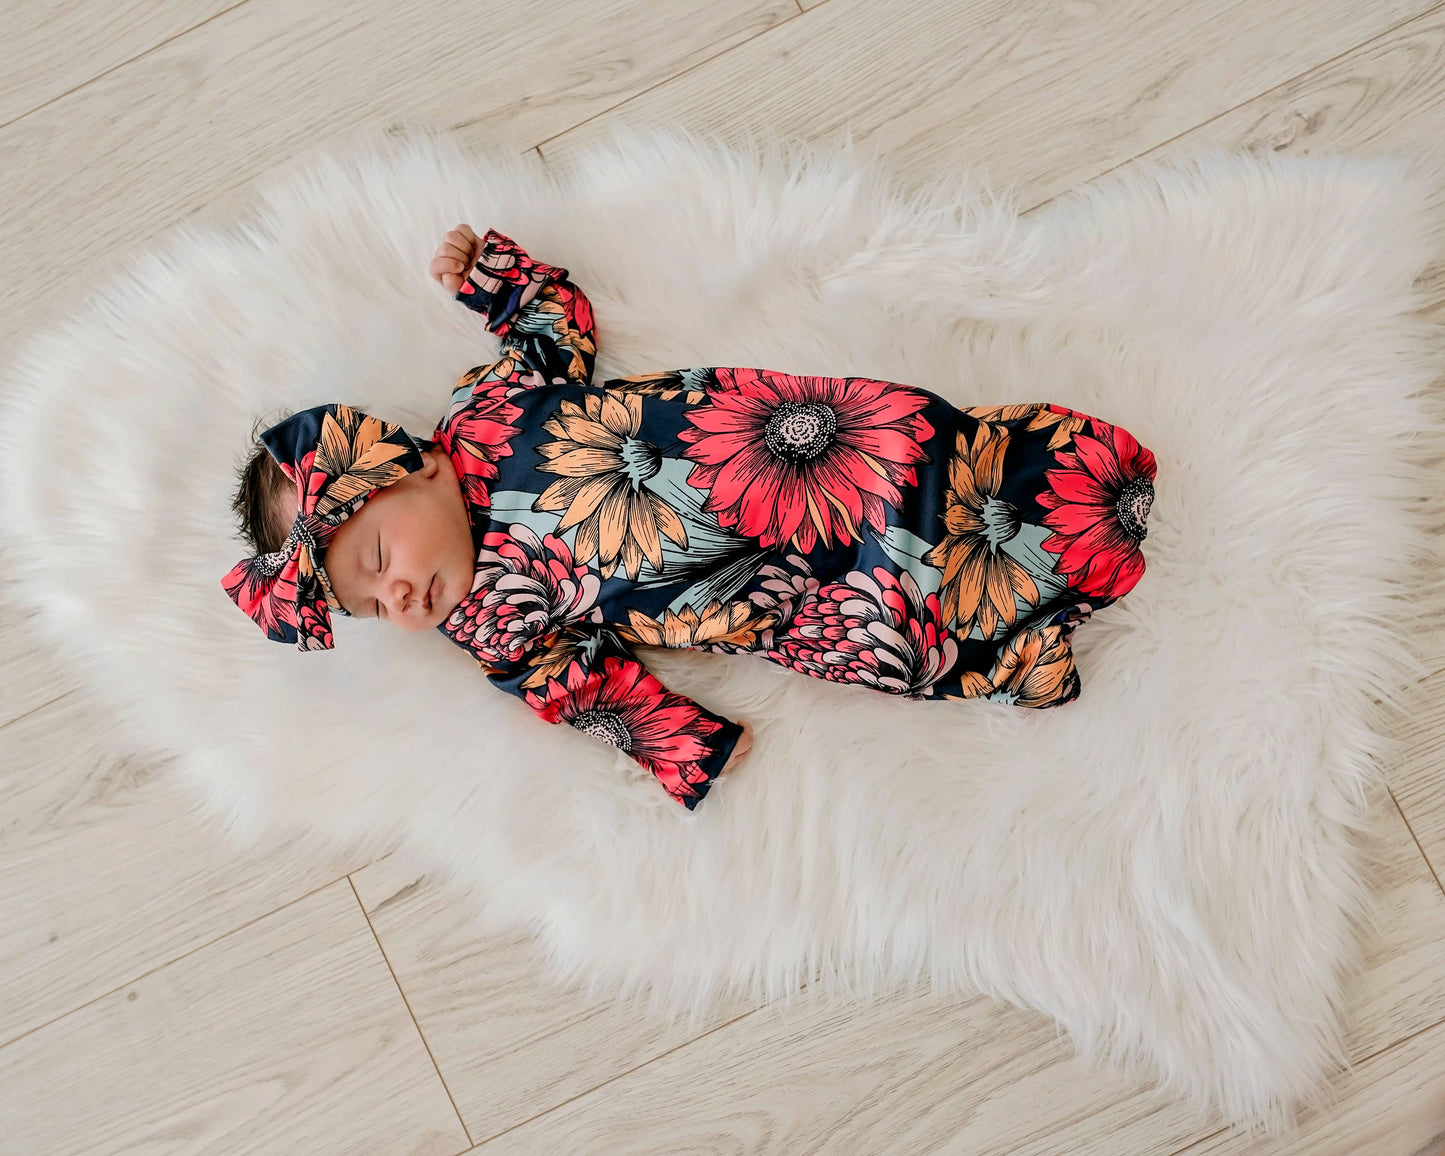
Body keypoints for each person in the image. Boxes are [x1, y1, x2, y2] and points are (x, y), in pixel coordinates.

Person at [224, 225, 1157, 810]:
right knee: (904, 635)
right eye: (374, 605)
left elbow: (556, 328)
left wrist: (495, 280)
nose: (397, 592)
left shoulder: (489, 409)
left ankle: (1076, 500)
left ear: (412, 464)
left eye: (379, 555)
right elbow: (585, 691)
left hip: (793, 453)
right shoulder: (494, 628)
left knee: (921, 457)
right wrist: (681, 746)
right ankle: (1017, 657)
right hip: (781, 595)